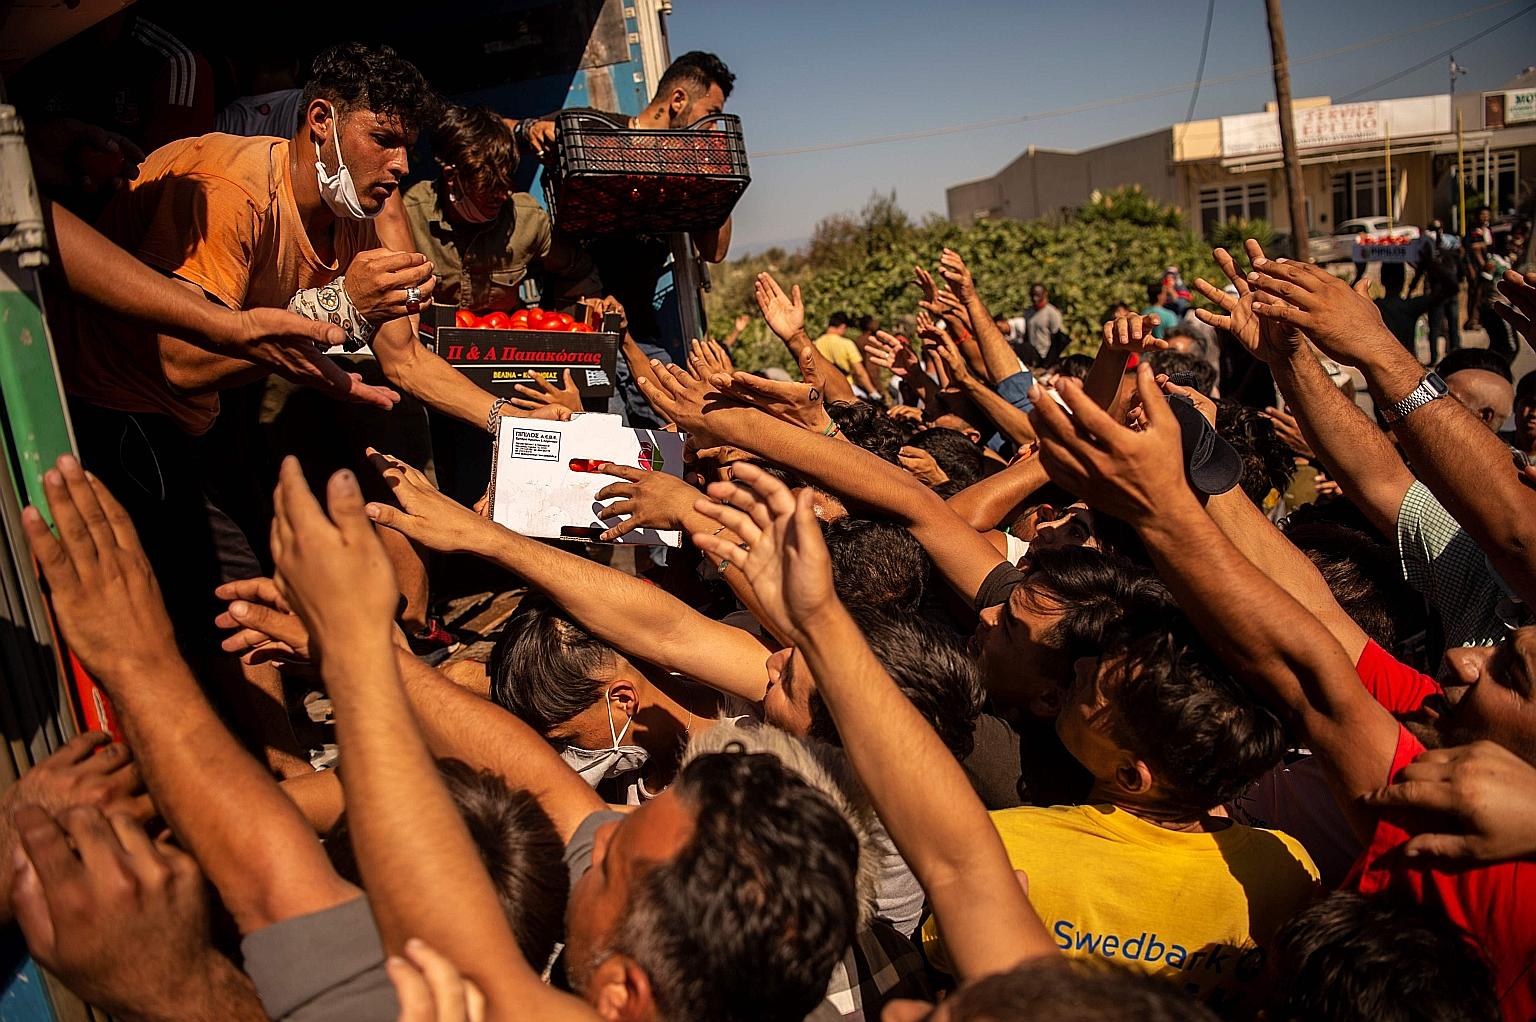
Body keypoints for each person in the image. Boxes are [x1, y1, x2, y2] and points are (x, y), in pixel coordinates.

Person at [512, 51, 738, 425]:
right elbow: (493, 131)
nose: (712, 128)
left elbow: (715, 251)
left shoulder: (687, 169)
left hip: (641, 334)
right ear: (678, 100)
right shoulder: (595, 129)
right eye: (709, 113)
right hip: (581, 330)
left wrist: (716, 176)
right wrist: (530, 129)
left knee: (678, 430)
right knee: (602, 440)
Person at [396, 105, 600, 313]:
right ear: (451, 177)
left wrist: (574, 315)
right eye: (490, 186)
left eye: (507, 183)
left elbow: (578, 271)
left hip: (505, 339)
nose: (503, 195)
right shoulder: (406, 215)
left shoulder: (526, 219)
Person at [814, 311, 879, 397]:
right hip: (846, 387)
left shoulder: (815, 343)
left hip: (823, 389)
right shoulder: (846, 343)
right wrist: (873, 392)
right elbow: (860, 372)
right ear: (843, 326)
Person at [1464, 206, 1494, 331]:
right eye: (1482, 214)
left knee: (1483, 295)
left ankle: (1480, 319)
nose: (1485, 217)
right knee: (1475, 294)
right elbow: (1468, 250)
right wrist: (1470, 268)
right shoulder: (1472, 231)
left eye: (1487, 214)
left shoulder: (1489, 230)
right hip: (1476, 268)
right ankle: (1472, 320)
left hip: (1487, 268)